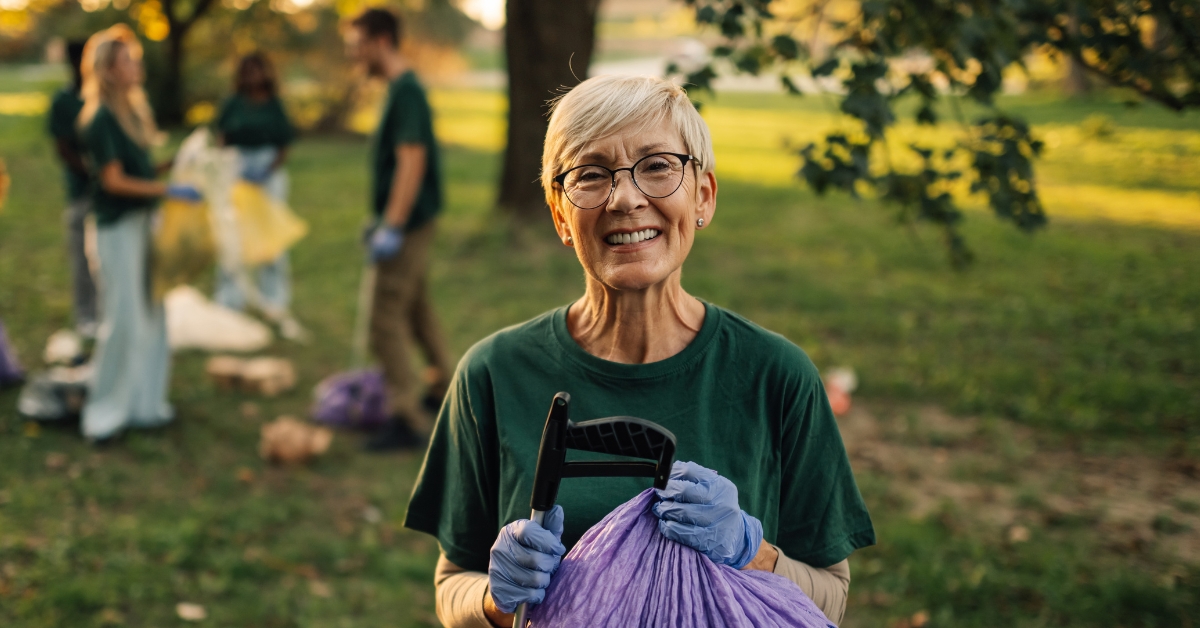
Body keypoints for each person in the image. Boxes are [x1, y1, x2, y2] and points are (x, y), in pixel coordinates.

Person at [404, 75, 876, 627]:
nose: (625, 198)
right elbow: (452, 586)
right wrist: (496, 599)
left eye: (657, 166)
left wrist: (751, 551)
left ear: (703, 197)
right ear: (560, 216)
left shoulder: (776, 376)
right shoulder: (493, 374)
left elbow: (830, 597)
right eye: (590, 174)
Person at [76, 24, 201, 442]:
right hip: (116, 230)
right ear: (108, 70)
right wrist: (168, 191)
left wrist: (180, 165)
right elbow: (114, 181)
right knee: (125, 319)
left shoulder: (131, 114)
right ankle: (106, 412)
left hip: (143, 223)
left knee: (153, 313)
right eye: (127, 61)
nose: (136, 67)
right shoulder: (100, 119)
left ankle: (145, 406)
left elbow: (139, 171)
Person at [344, 8, 452, 452]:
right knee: (416, 310)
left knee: (383, 319)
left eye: (357, 45)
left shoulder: (406, 90)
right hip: (408, 220)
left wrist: (391, 224)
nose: (352, 54)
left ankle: (405, 416)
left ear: (381, 41)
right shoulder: (399, 88)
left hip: (407, 224)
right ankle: (446, 390)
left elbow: (412, 160)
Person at [213, 52, 296, 313]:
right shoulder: (232, 103)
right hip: (236, 171)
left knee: (271, 238)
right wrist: (228, 168)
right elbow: (221, 139)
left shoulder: (274, 104)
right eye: (246, 71)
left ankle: (273, 298)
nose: (252, 77)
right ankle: (230, 297)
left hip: (267, 173)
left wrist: (267, 171)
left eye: (256, 70)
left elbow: (285, 144)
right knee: (233, 236)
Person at [48, 40, 98, 338]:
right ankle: (86, 316)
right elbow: (62, 147)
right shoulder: (64, 101)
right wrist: (92, 172)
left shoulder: (101, 98)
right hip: (81, 190)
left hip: (110, 193)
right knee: (81, 257)